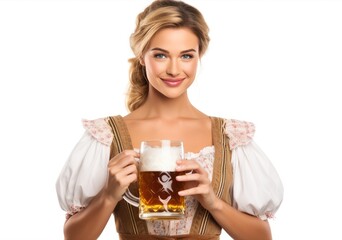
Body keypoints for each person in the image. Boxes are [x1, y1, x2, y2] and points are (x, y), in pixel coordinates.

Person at [56, 0, 284, 239]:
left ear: (199, 56)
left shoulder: (232, 136)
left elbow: (262, 237)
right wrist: (109, 196)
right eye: (161, 55)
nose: (175, 70)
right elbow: (74, 236)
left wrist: (213, 202)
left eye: (186, 56)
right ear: (142, 56)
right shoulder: (105, 136)